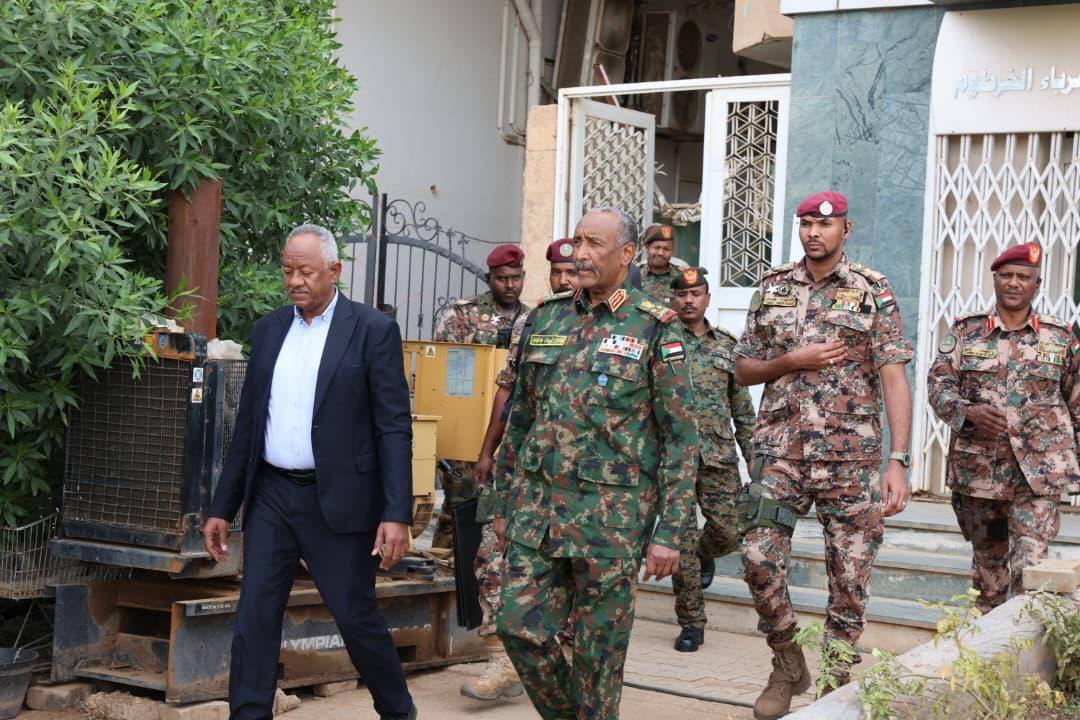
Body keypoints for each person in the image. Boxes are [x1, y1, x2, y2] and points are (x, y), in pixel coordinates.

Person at [202, 224, 415, 720]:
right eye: (288, 271)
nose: (295, 281)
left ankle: (398, 712)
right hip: (272, 495)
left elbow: (393, 428)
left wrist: (396, 513)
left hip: (338, 499)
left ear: (334, 271)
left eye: (306, 271)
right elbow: (249, 426)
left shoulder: (371, 330)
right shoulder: (269, 330)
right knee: (255, 615)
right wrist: (222, 507)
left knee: (355, 617)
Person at [493, 208, 698, 719]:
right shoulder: (545, 317)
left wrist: (671, 531)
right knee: (517, 628)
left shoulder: (655, 326)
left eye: (594, 244)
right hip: (538, 512)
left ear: (626, 255)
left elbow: (680, 438)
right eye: (577, 241)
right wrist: (503, 501)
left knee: (597, 658)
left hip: (611, 521)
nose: (580, 254)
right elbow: (521, 417)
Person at [733, 191, 913, 720]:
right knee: (757, 558)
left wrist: (898, 459)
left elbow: (893, 376)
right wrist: (792, 360)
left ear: (845, 230)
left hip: (850, 459)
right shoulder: (771, 289)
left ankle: (835, 683)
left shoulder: (873, 290)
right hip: (780, 453)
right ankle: (787, 660)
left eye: (825, 224)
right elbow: (742, 369)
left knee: (849, 580)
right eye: (807, 223)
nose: (814, 232)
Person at [928, 242, 1080, 613]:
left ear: (1036, 284)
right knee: (988, 580)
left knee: (1030, 571)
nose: (1014, 283)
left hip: (1038, 477)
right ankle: (990, 646)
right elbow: (938, 386)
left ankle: (1023, 645)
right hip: (979, 475)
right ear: (995, 279)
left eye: (1023, 277)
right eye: (1007, 275)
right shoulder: (966, 331)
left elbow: (1076, 402)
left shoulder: (1060, 337)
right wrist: (967, 412)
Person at [462, 237, 579, 702]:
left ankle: (565, 663)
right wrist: (488, 451)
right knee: (491, 556)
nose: (564, 280)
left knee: (570, 569)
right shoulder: (535, 321)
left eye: (573, 272)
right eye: (558, 273)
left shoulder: (616, 324)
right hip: (524, 465)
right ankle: (501, 659)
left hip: (581, 477)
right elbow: (507, 390)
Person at [667, 267, 755, 653]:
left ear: (707, 298)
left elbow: (743, 411)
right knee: (681, 541)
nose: (689, 301)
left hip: (717, 457)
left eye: (696, 294)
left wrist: (754, 459)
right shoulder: (661, 341)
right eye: (682, 295)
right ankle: (692, 623)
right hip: (673, 459)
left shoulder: (727, 346)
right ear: (672, 299)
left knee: (730, 532)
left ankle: (706, 554)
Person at [431, 244, 531, 548]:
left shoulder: (533, 319)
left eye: (516, 278)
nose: (510, 285)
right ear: (489, 278)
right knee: (457, 511)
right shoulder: (464, 315)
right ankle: (446, 570)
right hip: (466, 431)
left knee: (501, 517)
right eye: (502, 278)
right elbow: (441, 370)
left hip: (509, 434)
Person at [639, 224, 680, 305]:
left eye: (666, 249)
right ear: (647, 248)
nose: (661, 253)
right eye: (657, 248)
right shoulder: (634, 275)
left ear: (672, 251)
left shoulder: (680, 277)